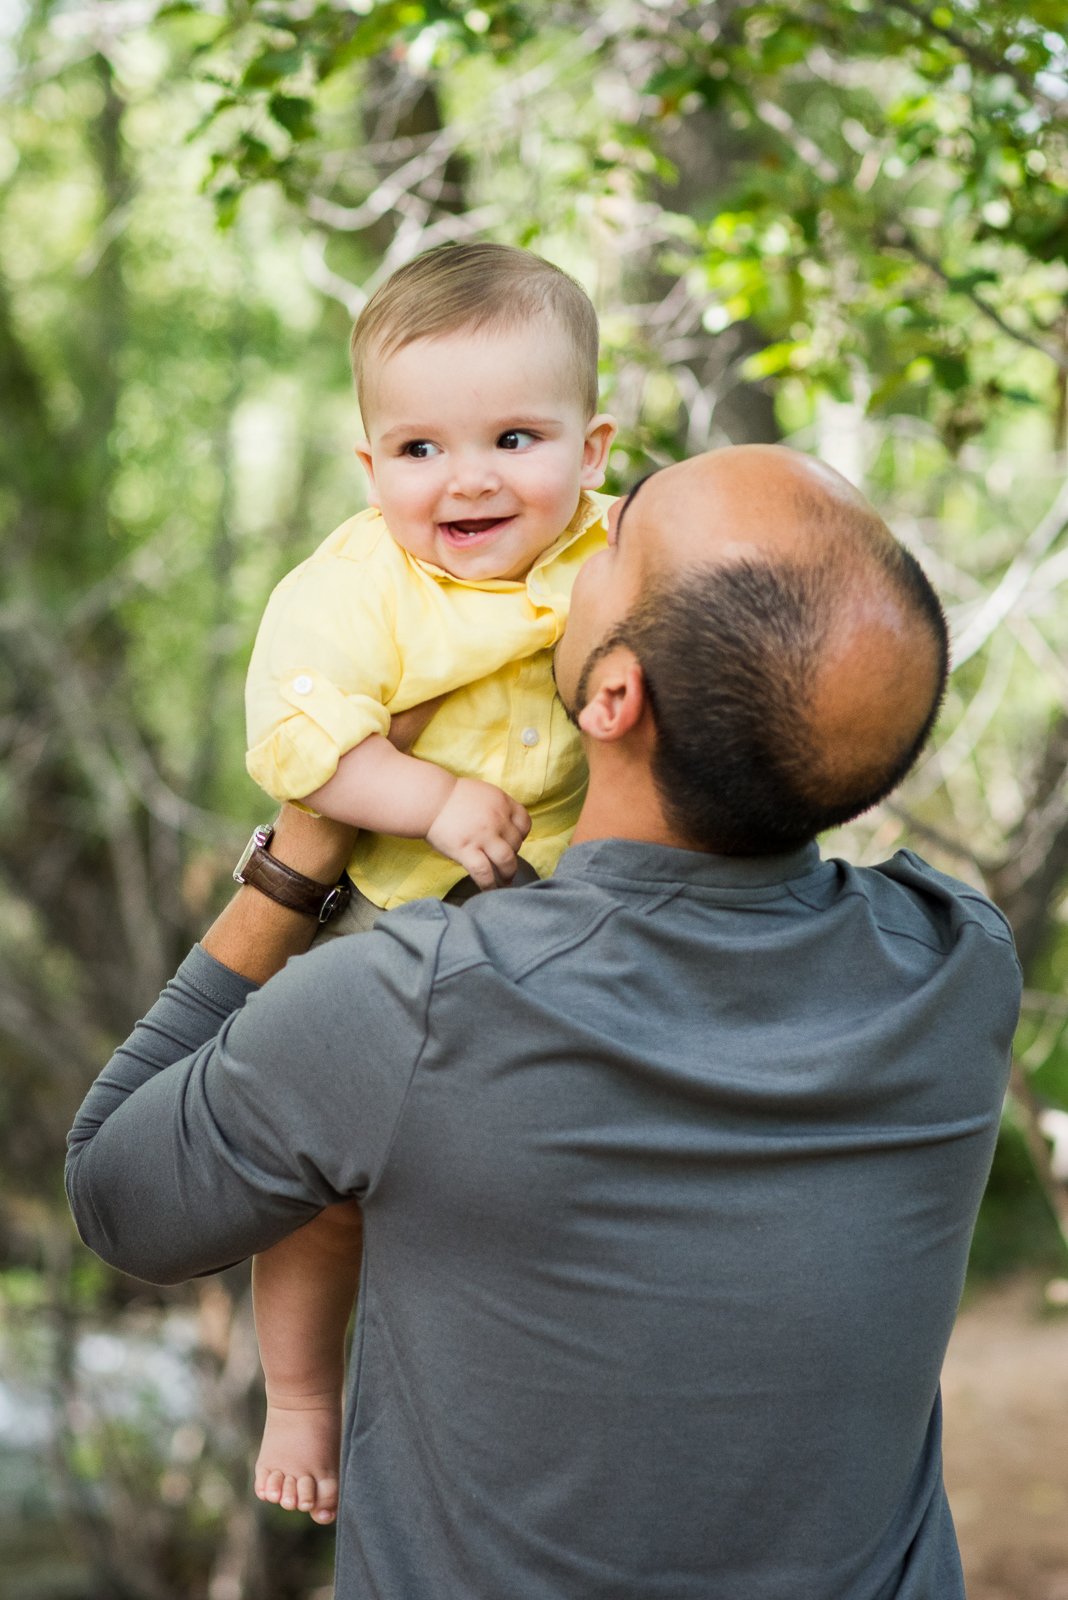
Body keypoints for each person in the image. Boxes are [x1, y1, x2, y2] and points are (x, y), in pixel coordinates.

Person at [66, 446, 1021, 1600]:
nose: (586, 526)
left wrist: (300, 859)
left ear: (614, 697)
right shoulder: (959, 966)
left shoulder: (411, 1005)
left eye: (613, 540)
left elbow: (115, 1192)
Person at [241, 240, 618, 1518]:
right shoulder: (356, 586)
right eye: (419, 450)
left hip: (573, 928)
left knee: (551, 1178)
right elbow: (298, 739)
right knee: (318, 1171)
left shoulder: (617, 558)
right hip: (388, 926)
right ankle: (299, 1393)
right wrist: (432, 797)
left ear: (595, 450)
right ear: (370, 467)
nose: (466, 478)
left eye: (517, 437)